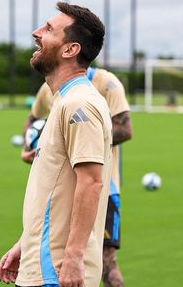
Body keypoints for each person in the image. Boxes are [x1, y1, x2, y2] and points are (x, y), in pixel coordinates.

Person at [0, 2, 113, 287]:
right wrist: (26, 242)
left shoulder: (79, 104)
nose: (37, 33)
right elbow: (56, 187)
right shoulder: (64, 100)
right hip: (45, 262)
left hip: (57, 271)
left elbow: (91, 183)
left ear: (70, 49)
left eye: (48, 29)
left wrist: (72, 258)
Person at [22, 67, 132, 287]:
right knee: (52, 265)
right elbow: (32, 120)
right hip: (59, 190)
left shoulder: (107, 84)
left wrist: (85, 137)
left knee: (106, 261)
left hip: (102, 188)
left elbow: (126, 129)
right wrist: (30, 146)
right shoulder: (49, 88)